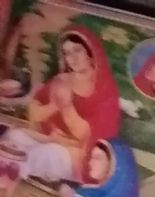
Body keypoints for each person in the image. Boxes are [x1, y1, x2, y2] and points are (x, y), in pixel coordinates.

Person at [6, 26, 120, 182]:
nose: (72, 58)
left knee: (50, 152)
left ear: (91, 53)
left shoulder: (104, 89)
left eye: (77, 50)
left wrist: (66, 106)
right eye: (67, 53)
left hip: (78, 153)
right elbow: (35, 113)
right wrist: (54, 106)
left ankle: (11, 170)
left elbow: (85, 136)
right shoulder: (61, 80)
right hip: (52, 138)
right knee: (16, 135)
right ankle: (18, 166)